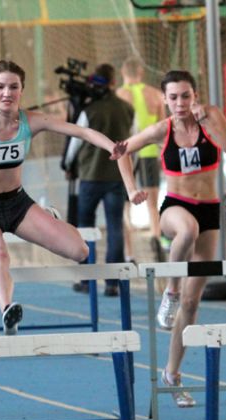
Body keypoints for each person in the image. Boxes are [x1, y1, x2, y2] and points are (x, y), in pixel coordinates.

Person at [0, 60, 146, 335]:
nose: (7, 93)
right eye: (0, 87)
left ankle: (49, 218)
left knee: (81, 252)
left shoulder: (32, 121)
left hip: (17, 204)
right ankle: (7, 310)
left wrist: (111, 146)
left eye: (13, 87)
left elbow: (81, 131)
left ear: (22, 90)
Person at [118, 70, 226, 407]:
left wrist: (212, 125)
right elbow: (121, 150)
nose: (180, 103)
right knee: (187, 231)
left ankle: (172, 374)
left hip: (209, 209)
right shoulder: (162, 130)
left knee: (192, 303)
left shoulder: (211, 117)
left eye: (185, 96)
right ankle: (171, 290)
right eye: (173, 97)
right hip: (175, 207)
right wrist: (131, 189)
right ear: (164, 99)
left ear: (195, 95)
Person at [65, 63, 135, 297]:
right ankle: (113, 282)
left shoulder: (89, 110)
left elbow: (75, 142)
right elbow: (133, 140)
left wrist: (67, 164)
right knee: (115, 226)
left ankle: (87, 279)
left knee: (85, 226)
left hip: (90, 176)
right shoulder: (127, 109)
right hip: (116, 177)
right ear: (114, 82)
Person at [116, 56, 166, 258]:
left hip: (126, 152)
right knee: (153, 203)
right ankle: (156, 238)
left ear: (122, 72)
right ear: (141, 72)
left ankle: (129, 254)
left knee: (125, 206)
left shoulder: (118, 95)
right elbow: (162, 126)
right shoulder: (155, 94)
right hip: (150, 151)